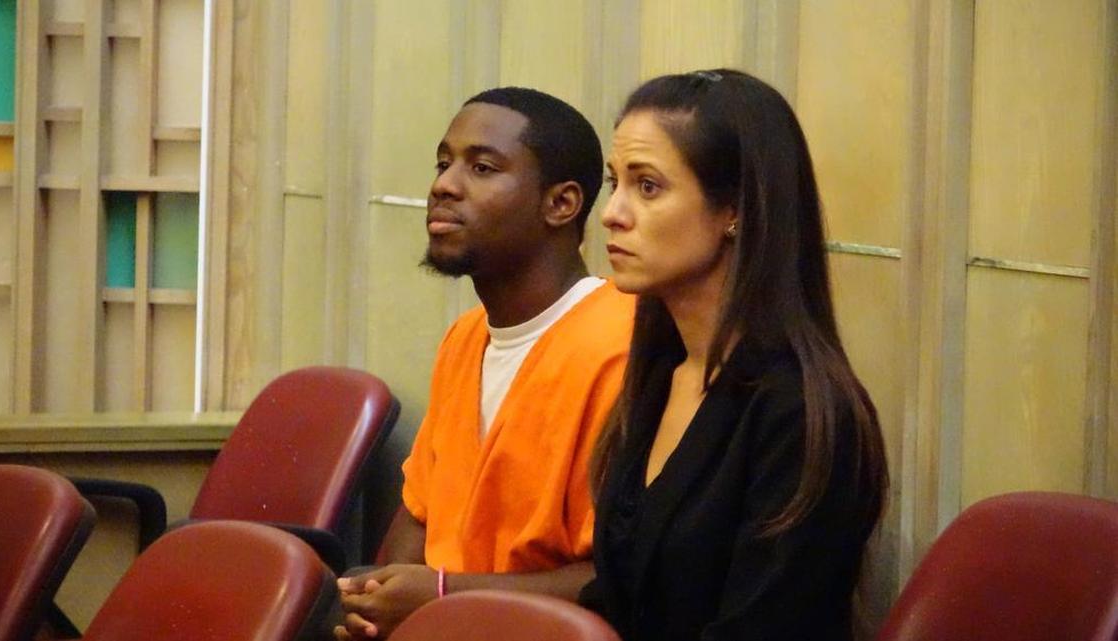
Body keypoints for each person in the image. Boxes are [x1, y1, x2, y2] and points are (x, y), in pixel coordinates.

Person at [580, 69, 889, 641]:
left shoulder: (804, 413)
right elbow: (616, 596)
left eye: (647, 186)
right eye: (613, 181)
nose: (612, 213)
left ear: (736, 209)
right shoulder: (660, 376)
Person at [334, 87, 635, 640]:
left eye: (482, 167)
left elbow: (616, 581)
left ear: (561, 204)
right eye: (444, 163)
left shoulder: (622, 342)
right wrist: (377, 605)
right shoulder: (465, 338)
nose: (444, 185)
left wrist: (443, 596)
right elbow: (419, 516)